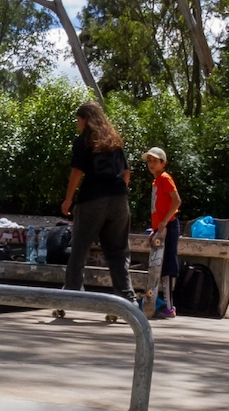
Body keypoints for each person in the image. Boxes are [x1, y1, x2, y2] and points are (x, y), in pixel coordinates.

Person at [60, 102, 132, 300]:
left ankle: (72, 294)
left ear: (85, 119)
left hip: (93, 199)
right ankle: (127, 298)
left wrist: (68, 200)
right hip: (119, 201)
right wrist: (117, 191)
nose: (77, 124)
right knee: (118, 251)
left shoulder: (84, 140)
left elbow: (76, 172)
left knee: (80, 248)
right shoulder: (114, 141)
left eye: (78, 120)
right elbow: (126, 173)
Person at [141, 146, 180, 320]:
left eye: (155, 161)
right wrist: (155, 229)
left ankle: (170, 306)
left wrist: (164, 222)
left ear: (163, 163)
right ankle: (161, 303)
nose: (151, 164)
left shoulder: (165, 178)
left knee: (168, 265)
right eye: (149, 161)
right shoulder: (156, 181)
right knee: (159, 265)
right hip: (161, 227)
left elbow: (177, 200)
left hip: (169, 225)